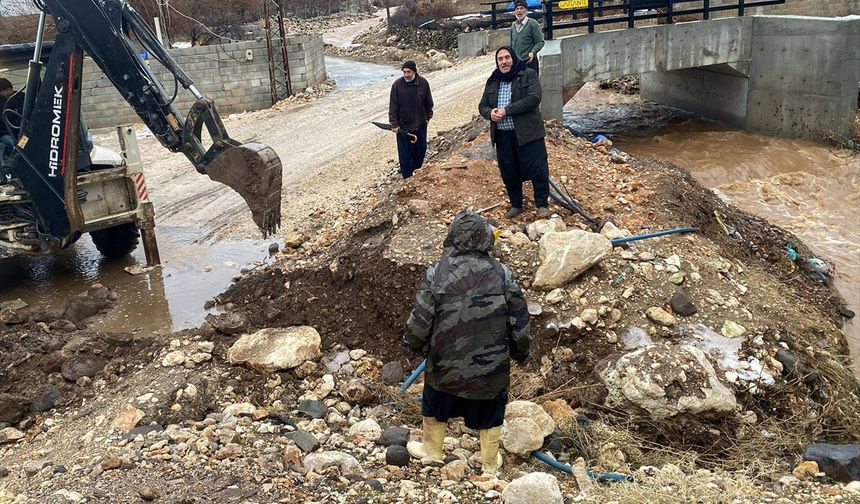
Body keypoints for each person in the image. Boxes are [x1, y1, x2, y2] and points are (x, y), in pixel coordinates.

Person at [402, 210, 532, 475]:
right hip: (490, 370)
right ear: (485, 238)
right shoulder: (502, 273)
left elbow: (421, 317)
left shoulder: (437, 272)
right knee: (491, 408)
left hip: (444, 367)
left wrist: (411, 347)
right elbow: (519, 319)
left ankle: (432, 451)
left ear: (454, 238)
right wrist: (522, 354)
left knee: (435, 401)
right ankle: (488, 463)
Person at [479, 46, 551, 219]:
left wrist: (506, 110)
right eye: (500, 59)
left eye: (507, 58)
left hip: (528, 133)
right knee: (509, 170)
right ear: (497, 62)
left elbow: (534, 98)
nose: (504, 62)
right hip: (503, 135)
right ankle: (516, 204)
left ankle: (542, 204)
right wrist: (490, 114)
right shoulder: (493, 80)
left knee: (537, 169)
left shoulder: (528, 75)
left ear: (513, 58)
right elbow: (482, 106)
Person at [389, 60, 434, 179]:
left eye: (408, 72)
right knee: (404, 154)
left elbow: (429, 103)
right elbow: (393, 106)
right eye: (404, 72)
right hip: (403, 127)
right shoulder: (397, 85)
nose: (406, 75)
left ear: (414, 71)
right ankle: (407, 178)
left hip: (420, 125)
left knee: (420, 149)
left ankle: (417, 172)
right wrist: (394, 124)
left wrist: (428, 117)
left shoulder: (423, 83)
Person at [510, 0, 545, 76]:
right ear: (514, 11)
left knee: (532, 86)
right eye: (517, 9)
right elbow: (512, 44)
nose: (519, 11)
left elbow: (540, 42)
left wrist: (533, 52)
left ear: (526, 10)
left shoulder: (532, 23)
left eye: (521, 8)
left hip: (530, 62)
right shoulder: (513, 26)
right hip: (517, 64)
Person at [0, 78, 16, 167]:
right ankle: (12, 164)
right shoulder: (2, 103)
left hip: (22, 132)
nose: (10, 91)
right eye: (6, 90)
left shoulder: (20, 97)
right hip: (6, 134)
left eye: (10, 89)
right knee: (13, 143)